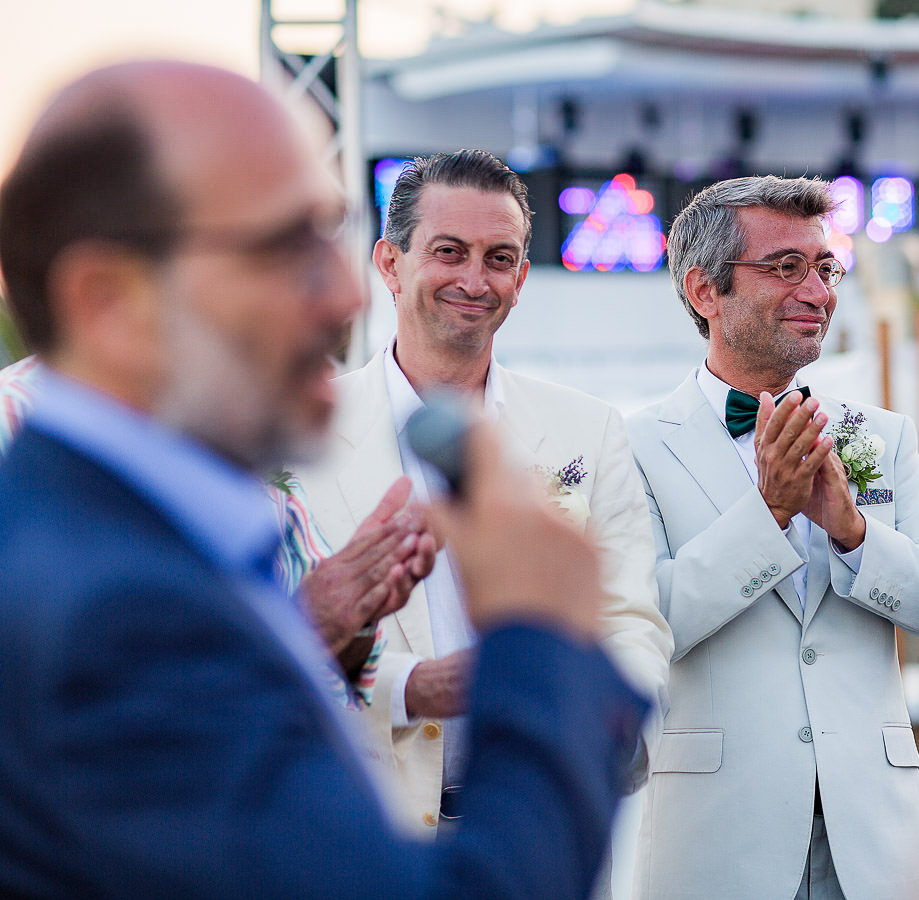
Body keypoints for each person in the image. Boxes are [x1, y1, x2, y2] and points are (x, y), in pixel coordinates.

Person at [0, 60, 645, 898]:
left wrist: (328, 647)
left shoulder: (101, 538)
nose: (344, 296)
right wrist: (540, 631)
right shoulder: (118, 614)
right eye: (286, 248)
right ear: (108, 300)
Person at [294, 150, 673, 835]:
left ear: (521, 277)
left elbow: (631, 624)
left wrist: (596, 719)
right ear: (389, 262)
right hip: (355, 835)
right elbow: (267, 637)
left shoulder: (588, 429)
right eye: (449, 252)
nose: (474, 279)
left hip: (536, 822)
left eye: (499, 258)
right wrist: (412, 688)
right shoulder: (299, 437)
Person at [626, 175, 919, 900]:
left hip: (873, 847)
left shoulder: (877, 438)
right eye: (785, 268)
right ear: (705, 291)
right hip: (721, 848)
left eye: (825, 268)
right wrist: (769, 515)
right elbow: (642, 630)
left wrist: (853, 533)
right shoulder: (631, 446)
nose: (818, 291)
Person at [0, 351, 435, 710]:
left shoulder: (232, 419)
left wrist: (349, 617)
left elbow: (334, 657)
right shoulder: (15, 416)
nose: (346, 295)